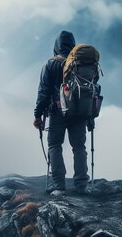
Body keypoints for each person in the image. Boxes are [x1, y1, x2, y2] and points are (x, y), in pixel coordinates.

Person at [33, 30, 90, 196]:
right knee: (79, 147)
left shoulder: (51, 64)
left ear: (56, 46)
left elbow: (43, 93)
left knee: (54, 146)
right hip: (80, 113)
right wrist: (90, 117)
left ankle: (58, 185)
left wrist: (37, 115)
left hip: (57, 113)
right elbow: (91, 91)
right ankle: (82, 185)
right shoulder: (81, 64)